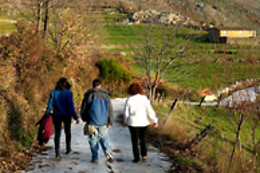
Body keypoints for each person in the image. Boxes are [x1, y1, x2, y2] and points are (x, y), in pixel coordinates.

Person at [44, 77, 79, 161]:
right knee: (68, 131)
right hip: (66, 115)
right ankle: (68, 148)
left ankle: (57, 153)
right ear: (65, 83)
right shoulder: (68, 93)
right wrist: (75, 117)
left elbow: (50, 105)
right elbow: (70, 106)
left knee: (57, 133)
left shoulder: (53, 92)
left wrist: (46, 114)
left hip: (56, 115)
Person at [80, 79, 114, 163]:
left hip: (92, 121)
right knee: (104, 138)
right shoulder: (106, 96)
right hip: (103, 121)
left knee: (93, 139)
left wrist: (84, 118)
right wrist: (110, 122)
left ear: (93, 85)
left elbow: (83, 108)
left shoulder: (89, 95)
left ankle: (95, 157)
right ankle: (107, 152)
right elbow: (110, 110)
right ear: (100, 85)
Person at [123, 83, 158, 163]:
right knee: (142, 139)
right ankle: (144, 155)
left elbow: (126, 113)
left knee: (134, 141)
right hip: (144, 122)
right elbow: (150, 111)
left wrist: (125, 121)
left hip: (133, 123)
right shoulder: (145, 99)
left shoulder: (129, 100)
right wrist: (154, 120)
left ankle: (137, 158)